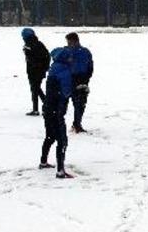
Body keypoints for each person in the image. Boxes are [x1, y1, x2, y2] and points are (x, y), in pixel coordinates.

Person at [40, 48, 76, 179]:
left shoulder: (54, 67)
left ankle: (43, 161)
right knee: (62, 140)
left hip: (48, 108)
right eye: (70, 57)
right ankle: (60, 170)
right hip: (57, 110)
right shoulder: (64, 71)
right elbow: (66, 92)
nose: (72, 59)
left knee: (50, 136)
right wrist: (76, 90)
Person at [65, 32, 94, 133]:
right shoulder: (67, 51)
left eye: (70, 42)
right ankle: (76, 124)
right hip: (72, 79)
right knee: (77, 103)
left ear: (76, 41)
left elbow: (90, 66)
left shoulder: (84, 52)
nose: (69, 44)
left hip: (81, 79)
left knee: (80, 103)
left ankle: (77, 123)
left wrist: (87, 78)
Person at [22, 28, 50, 116]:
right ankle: (45, 105)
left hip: (35, 71)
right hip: (38, 70)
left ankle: (43, 106)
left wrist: (36, 65)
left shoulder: (30, 45)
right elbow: (46, 56)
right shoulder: (39, 44)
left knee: (35, 88)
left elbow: (32, 58)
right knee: (36, 88)